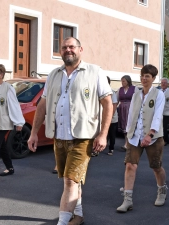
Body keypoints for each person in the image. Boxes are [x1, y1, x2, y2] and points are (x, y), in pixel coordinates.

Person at [27, 37, 112, 225]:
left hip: (83, 137)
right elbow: (43, 104)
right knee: (74, 180)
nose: (68, 50)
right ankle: (78, 216)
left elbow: (107, 103)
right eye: (64, 47)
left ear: (80, 49)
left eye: (72, 47)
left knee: (70, 182)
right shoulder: (54, 74)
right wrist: (33, 133)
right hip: (59, 136)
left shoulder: (94, 72)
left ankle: (62, 222)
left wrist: (103, 134)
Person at [117, 64, 167, 212]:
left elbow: (158, 116)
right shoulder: (136, 94)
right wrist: (128, 134)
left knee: (156, 167)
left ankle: (162, 191)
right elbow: (131, 115)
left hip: (153, 137)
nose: (144, 79)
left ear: (153, 78)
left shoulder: (159, 95)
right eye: (142, 76)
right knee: (130, 165)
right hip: (135, 136)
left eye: (147, 76)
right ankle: (127, 200)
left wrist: (150, 134)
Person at [117, 75, 136, 150]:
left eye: (124, 81)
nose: (122, 83)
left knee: (130, 125)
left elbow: (138, 99)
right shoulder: (120, 89)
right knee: (124, 126)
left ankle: (128, 143)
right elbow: (116, 100)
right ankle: (126, 142)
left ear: (128, 81)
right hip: (122, 109)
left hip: (131, 108)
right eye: (122, 81)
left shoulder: (134, 89)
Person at [160, 78, 169, 146]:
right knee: (161, 127)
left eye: (165, 83)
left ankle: (165, 140)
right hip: (160, 112)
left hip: (167, 112)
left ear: (168, 84)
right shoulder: (158, 91)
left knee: (164, 127)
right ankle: (166, 140)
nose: (163, 84)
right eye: (162, 82)